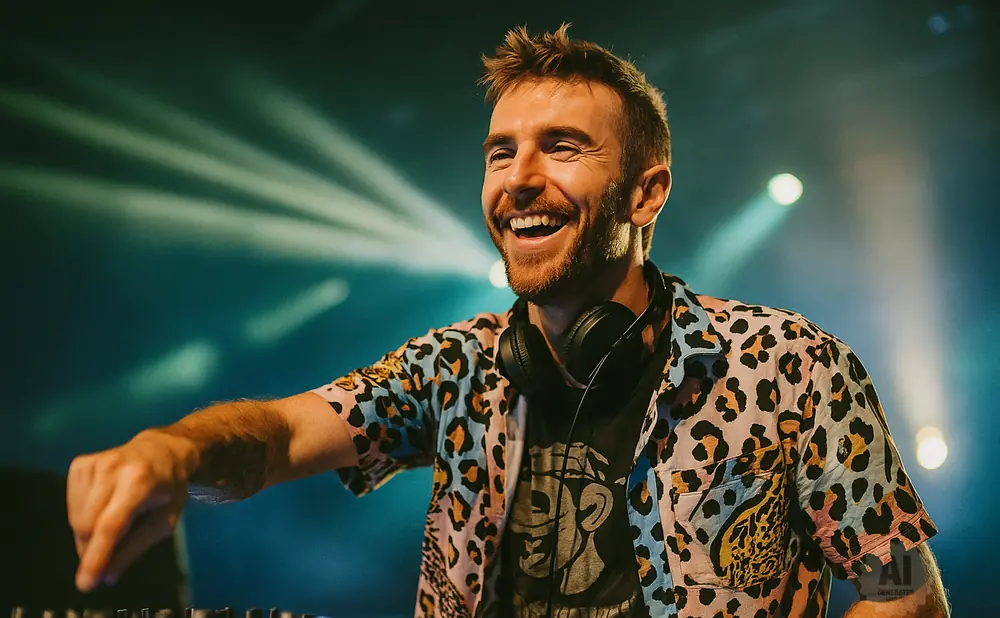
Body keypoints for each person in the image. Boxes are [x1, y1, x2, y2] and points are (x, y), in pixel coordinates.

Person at [66, 25, 949, 618]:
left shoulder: (789, 366)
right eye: (500, 152)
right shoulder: (456, 370)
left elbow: (901, 587)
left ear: (647, 191)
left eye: (561, 147)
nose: (518, 177)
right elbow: (281, 436)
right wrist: (175, 452)